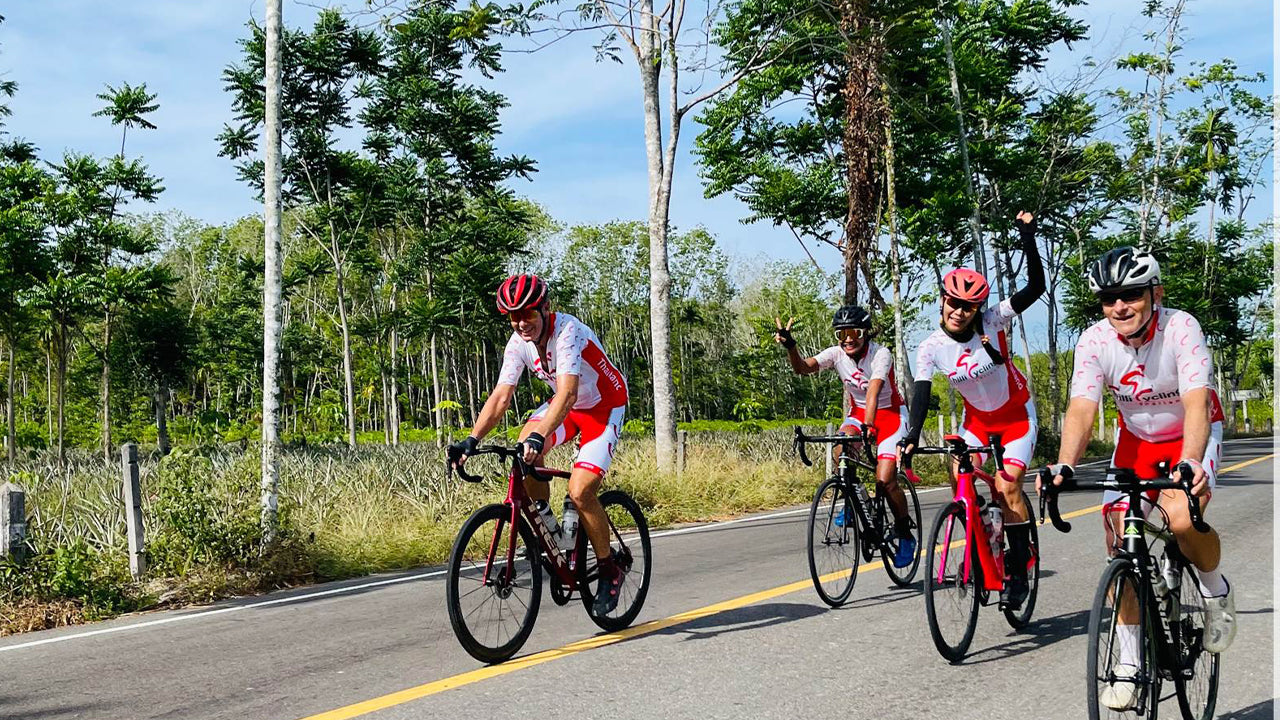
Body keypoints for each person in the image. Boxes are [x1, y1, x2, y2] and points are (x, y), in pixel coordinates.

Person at [1040, 246, 1235, 710]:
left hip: (1190, 434)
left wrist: (1190, 462)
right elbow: (1082, 409)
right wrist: (1065, 464)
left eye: (1130, 295)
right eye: (1109, 299)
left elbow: (1196, 402)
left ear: (1156, 294)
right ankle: (1128, 662)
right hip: (1137, 441)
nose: (1119, 307)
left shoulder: (1181, 328)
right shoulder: (1094, 340)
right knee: (1120, 540)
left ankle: (1215, 592)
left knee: (1181, 519)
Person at [447, 274, 629, 615]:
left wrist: (539, 434)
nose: (521, 323)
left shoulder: (568, 332)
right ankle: (551, 530)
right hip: (568, 407)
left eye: (528, 313)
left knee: (580, 491)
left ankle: (609, 570)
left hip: (603, 406)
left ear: (545, 308)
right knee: (523, 451)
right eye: (513, 316)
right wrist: (471, 439)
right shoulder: (518, 343)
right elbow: (501, 397)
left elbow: (568, 393)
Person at [898, 211, 1044, 610]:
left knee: (1007, 486)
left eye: (968, 306)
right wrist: (911, 437)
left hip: (1016, 418)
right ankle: (982, 531)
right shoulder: (930, 347)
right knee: (957, 473)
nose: (960, 311)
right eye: (954, 303)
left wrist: (1027, 236)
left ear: (978, 307)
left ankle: (1018, 570)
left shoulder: (994, 319)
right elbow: (921, 393)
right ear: (943, 300)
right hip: (977, 422)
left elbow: (1035, 287)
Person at [774, 305, 916, 567]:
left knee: (885, 480)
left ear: (865, 333)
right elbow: (802, 368)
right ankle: (853, 499)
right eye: (842, 334)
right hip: (858, 413)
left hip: (890, 415)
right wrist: (791, 346)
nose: (848, 340)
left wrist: (870, 426)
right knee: (841, 451)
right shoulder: (836, 354)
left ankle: (905, 533)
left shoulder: (881, 354)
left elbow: (873, 391)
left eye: (854, 333)